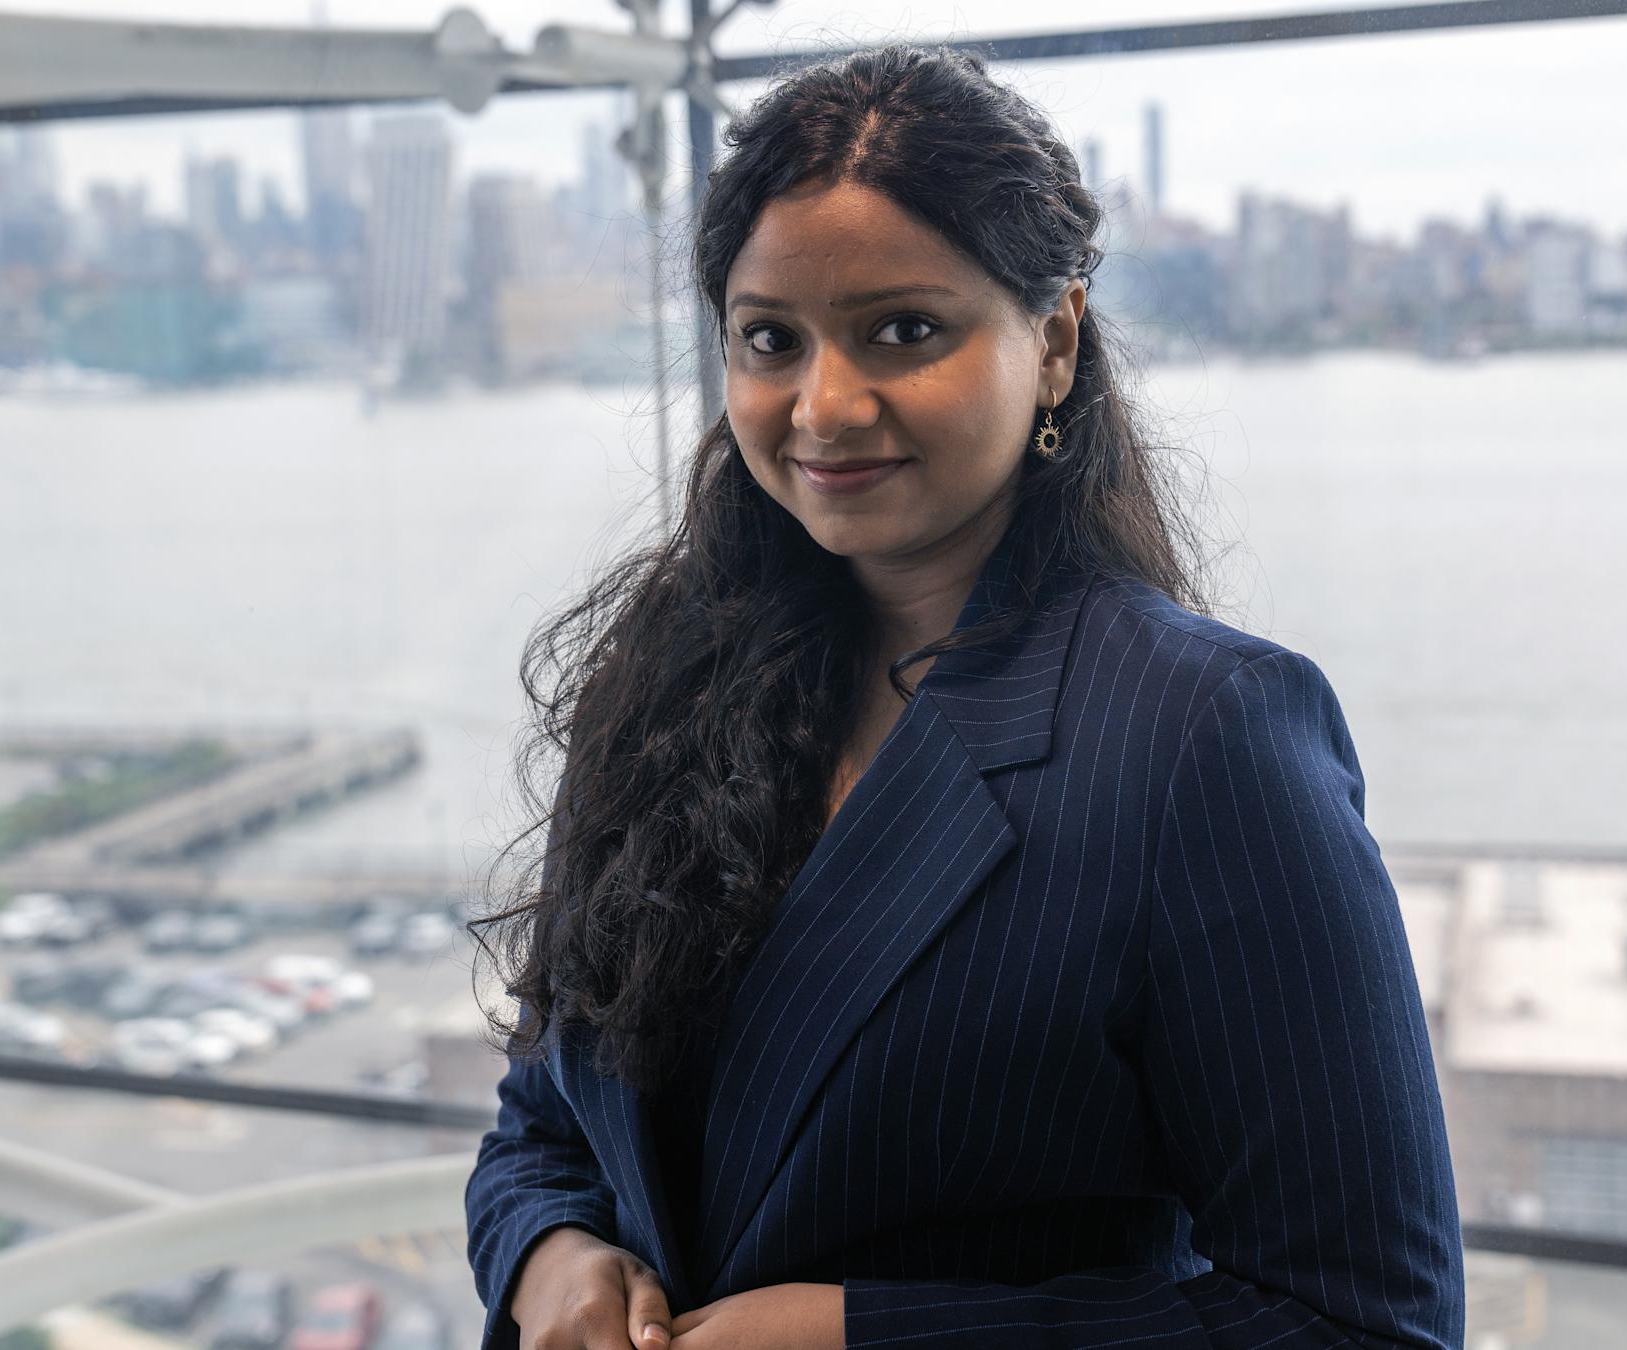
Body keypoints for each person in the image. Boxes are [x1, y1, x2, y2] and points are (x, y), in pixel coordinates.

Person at [463, 42, 1463, 1350]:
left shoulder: (1202, 740)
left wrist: (862, 1335)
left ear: (1053, 340)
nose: (823, 403)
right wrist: (554, 1257)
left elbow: (1369, 1319)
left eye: (904, 330)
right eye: (773, 338)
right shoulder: (658, 691)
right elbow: (543, 1119)